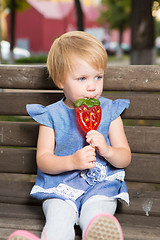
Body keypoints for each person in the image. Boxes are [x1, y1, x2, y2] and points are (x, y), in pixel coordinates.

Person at [8, 31, 131, 240]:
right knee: (58, 218)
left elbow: (124, 157)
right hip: (61, 187)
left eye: (98, 77)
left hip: (100, 185)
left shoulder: (109, 111)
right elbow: (44, 160)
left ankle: (97, 233)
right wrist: (72, 161)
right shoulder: (52, 116)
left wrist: (108, 150)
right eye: (82, 78)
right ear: (60, 81)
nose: (92, 86)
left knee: (96, 213)